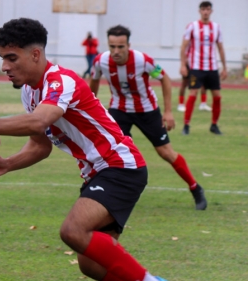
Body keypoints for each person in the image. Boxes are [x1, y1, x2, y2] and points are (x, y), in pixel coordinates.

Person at [0, 18, 197, 281]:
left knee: (72, 231)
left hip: (119, 166)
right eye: (2, 58)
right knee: (91, 264)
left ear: (36, 54)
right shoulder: (31, 92)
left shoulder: (61, 80)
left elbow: (41, 120)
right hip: (99, 173)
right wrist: (8, 163)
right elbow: (40, 144)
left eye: (11, 58)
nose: (4, 67)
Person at [89, 25, 207, 210]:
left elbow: (164, 79)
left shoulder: (143, 60)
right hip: (119, 110)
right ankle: (105, 194)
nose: (116, 51)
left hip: (147, 110)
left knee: (165, 153)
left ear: (129, 45)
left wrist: (168, 112)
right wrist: (91, 110)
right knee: (109, 152)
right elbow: (93, 83)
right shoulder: (100, 61)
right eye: (112, 46)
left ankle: (195, 188)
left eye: (121, 47)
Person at [180, 1, 226, 135]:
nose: (206, 11)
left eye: (208, 9)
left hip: (212, 68)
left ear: (211, 11)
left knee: (217, 96)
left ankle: (214, 125)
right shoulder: (192, 26)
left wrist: (224, 67)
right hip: (196, 68)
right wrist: (183, 64)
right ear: (199, 11)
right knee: (193, 94)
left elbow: (221, 48)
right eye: (203, 9)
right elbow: (184, 47)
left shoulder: (217, 27)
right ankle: (186, 125)